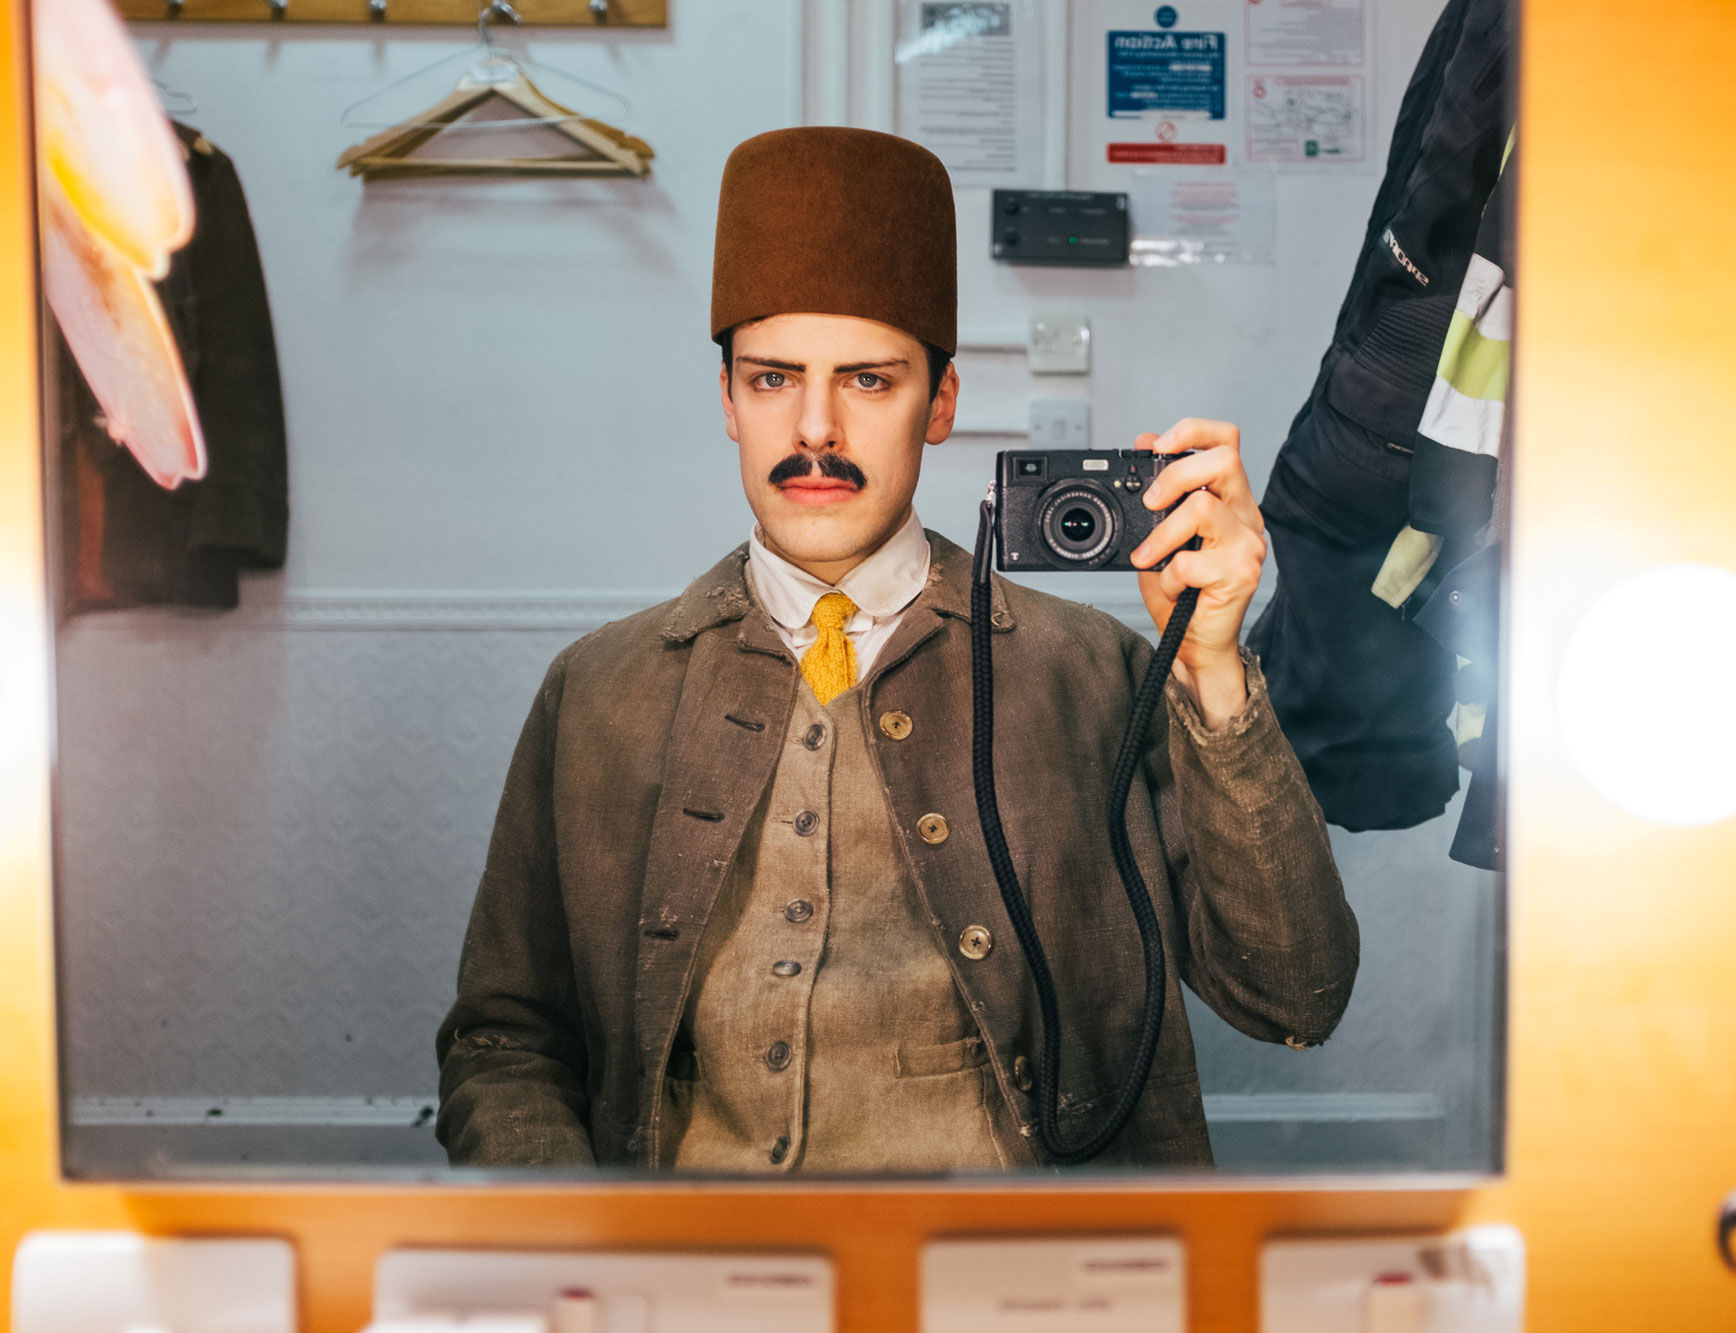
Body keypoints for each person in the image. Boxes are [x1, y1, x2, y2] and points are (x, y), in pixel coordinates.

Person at [435, 126, 1360, 1172]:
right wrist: (580, 1258)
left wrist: (1212, 671)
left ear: (941, 402)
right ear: (727, 400)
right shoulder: (599, 691)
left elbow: (1295, 996)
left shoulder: (1094, 675)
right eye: (774, 378)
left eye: (869, 381)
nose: (817, 429)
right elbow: (503, 1042)